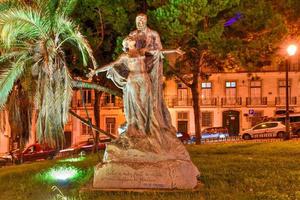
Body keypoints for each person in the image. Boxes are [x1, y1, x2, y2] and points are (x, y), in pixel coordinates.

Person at [129, 13, 180, 131]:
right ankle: (137, 121)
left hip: (152, 66)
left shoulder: (153, 34)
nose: (139, 23)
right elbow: (128, 49)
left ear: (146, 21)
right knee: (135, 95)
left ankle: (151, 120)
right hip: (137, 67)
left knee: (151, 95)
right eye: (138, 21)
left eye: (142, 20)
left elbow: (159, 50)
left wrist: (171, 51)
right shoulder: (132, 34)